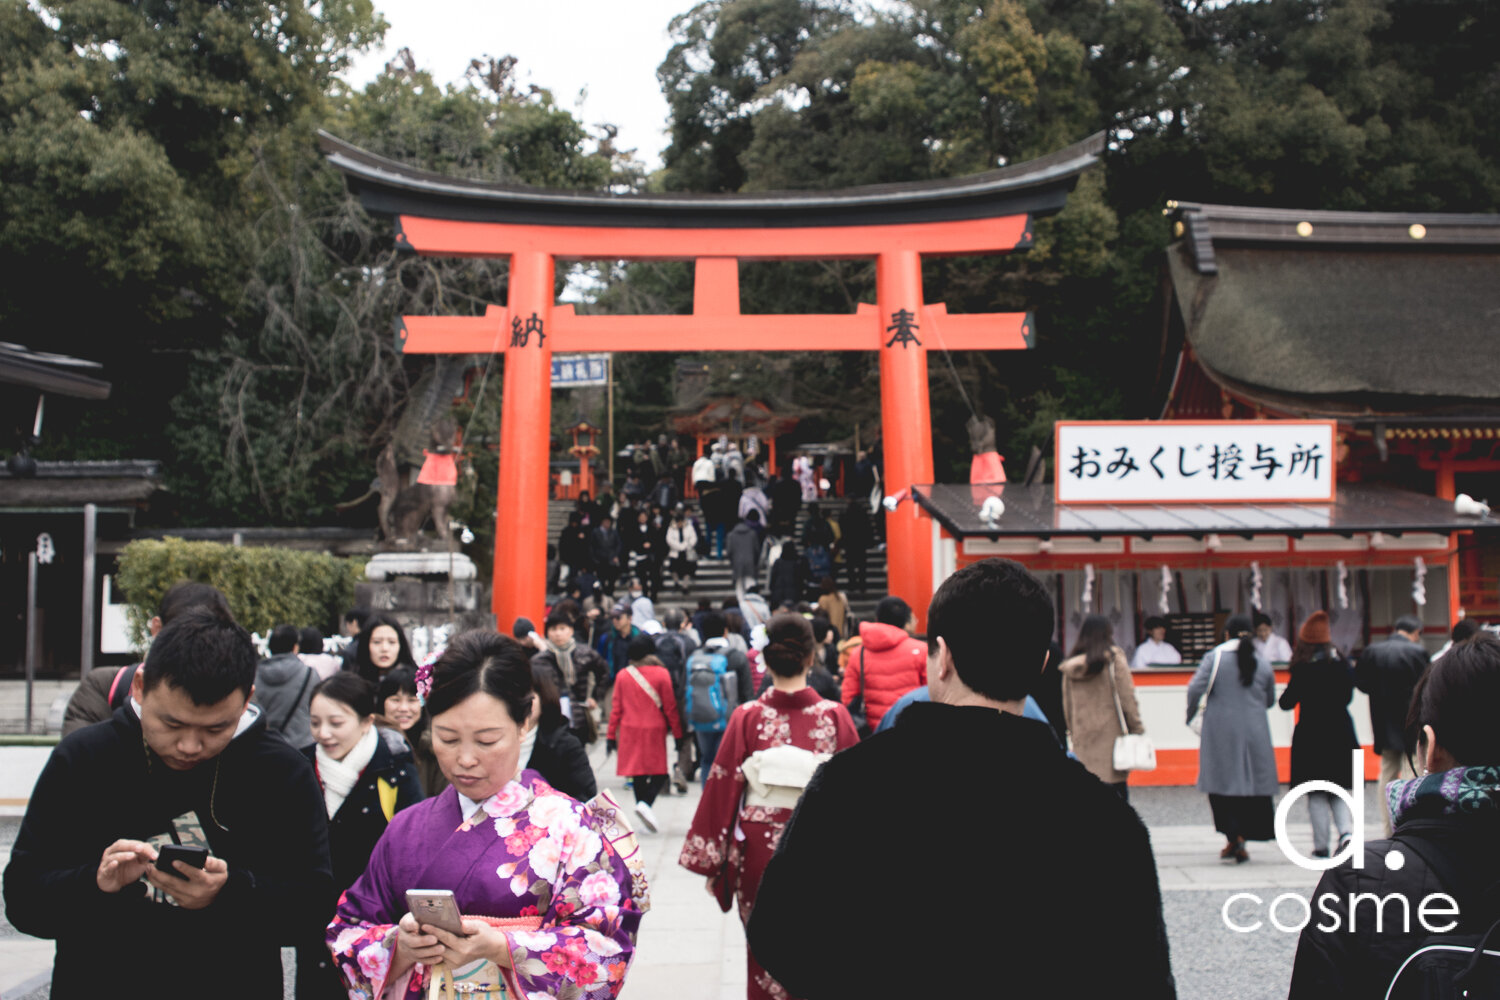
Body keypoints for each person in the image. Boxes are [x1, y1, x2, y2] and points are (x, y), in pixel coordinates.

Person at [746, 559, 1176, 998]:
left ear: (943, 656)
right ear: (1042, 663)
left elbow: (777, 930)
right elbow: (1144, 981)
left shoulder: (848, 785)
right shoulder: (1104, 817)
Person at [3, 605, 332, 1000]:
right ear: (140, 686)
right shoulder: (84, 758)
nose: (190, 746)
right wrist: (97, 882)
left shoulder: (281, 772)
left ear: (247, 700)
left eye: (216, 728)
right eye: (172, 724)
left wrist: (229, 893)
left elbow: (314, 909)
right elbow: (23, 900)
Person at [324, 631, 644, 999]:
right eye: (447, 738)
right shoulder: (406, 828)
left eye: (487, 740)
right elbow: (346, 932)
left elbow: (606, 950)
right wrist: (398, 946)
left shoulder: (572, 827)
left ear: (524, 722)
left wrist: (502, 947)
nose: (465, 759)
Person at [1288, 633, 1500, 998]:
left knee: (1321, 796)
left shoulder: (1358, 881)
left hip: (1315, 739)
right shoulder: (1341, 666)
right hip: (1339, 736)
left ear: (1429, 748)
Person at [680, 613, 859, 999]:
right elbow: (858, 795)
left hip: (760, 853)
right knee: (821, 951)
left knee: (764, 955)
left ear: (765, 659)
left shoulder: (748, 717)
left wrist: (715, 863)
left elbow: (723, 783)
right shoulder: (834, 716)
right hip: (821, 849)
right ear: (811, 658)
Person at [301, 673, 424, 997]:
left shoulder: (395, 767)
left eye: (335, 723)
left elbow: (415, 843)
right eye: (315, 723)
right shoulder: (300, 765)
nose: (323, 733)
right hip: (316, 915)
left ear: (366, 721)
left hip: (377, 916)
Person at [61, 580, 233, 735]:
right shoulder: (105, 687)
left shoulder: (236, 694)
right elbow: (78, 763)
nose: (189, 747)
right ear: (157, 628)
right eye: (183, 636)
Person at [1187, 613, 1278, 863]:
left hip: (1220, 731)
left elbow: (1195, 688)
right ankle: (1244, 837)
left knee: (1222, 784)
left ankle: (1232, 836)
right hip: (1255, 731)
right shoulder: (1262, 661)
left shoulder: (1214, 657)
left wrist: (1190, 714)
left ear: (1226, 634)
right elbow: (1270, 698)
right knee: (1250, 784)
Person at [1278, 611, 1358, 858]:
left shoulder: (1303, 669)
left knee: (1316, 791)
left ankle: (1321, 845)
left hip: (1311, 736)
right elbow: (1348, 697)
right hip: (1341, 733)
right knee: (1340, 788)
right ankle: (1346, 833)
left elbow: (1286, 703)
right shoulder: (1342, 665)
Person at [1355, 614, 1430, 836]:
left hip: (1383, 718)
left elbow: (1361, 683)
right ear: (1415, 632)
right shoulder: (1417, 653)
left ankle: (1388, 828)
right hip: (1411, 719)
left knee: (1386, 772)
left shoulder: (1372, 651)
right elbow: (1427, 686)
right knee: (1411, 770)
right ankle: (1407, 826)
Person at [1061, 614, 1146, 800]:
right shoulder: (1114, 660)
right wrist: (1136, 729)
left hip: (1083, 739)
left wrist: (1073, 733)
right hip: (1111, 740)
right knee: (1117, 801)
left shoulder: (1070, 667)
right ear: (1108, 633)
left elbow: (1067, 707)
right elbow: (1127, 698)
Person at [607, 638, 684, 833]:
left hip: (629, 728)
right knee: (659, 772)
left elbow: (616, 709)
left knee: (637, 773)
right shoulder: (662, 673)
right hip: (654, 727)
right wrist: (677, 734)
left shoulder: (623, 675)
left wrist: (610, 735)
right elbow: (670, 707)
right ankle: (646, 805)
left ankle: (643, 808)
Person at [840, 595, 927, 732]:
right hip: (912, 728)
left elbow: (848, 698)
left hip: (872, 732)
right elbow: (930, 693)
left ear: (877, 619)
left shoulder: (858, 653)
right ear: (906, 623)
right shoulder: (921, 650)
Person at [684, 611, 754, 782]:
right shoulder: (736, 656)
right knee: (728, 763)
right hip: (730, 721)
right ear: (725, 631)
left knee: (707, 760)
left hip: (701, 718)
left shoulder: (695, 657)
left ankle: (707, 800)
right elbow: (747, 693)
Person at [531, 609, 609, 742]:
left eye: (562, 628)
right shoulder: (540, 660)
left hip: (579, 716)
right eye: (553, 629)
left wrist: (595, 696)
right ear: (547, 632)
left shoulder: (585, 653)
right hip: (550, 719)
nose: (558, 633)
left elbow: (604, 672)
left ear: (571, 631)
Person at [525, 662, 597, 802]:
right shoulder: (492, 742)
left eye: (528, 696)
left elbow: (585, 797)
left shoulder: (565, 746)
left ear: (543, 697)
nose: (519, 702)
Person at [380, 666, 448, 795]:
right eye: (395, 700)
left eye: (412, 700)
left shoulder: (434, 748)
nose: (404, 708)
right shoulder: (371, 744)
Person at [253, 622, 319, 747]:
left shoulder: (254, 675)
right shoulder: (310, 674)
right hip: (302, 747)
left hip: (265, 747)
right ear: (295, 647)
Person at [354, 613, 417, 684]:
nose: (384, 648)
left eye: (392, 642)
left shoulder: (416, 683)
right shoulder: (353, 685)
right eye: (377, 642)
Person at [837, 499, 873, 595]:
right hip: (860, 542)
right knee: (861, 566)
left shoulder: (845, 513)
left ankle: (852, 584)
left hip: (849, 542)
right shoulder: (862, 513)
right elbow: (867, 527)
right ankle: (862, 585)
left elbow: (841, 527)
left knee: (850, 565)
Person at [726, 510, 761, 597]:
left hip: (737, 563)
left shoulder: (731, 535)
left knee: (739, 587)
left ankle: (742, 605)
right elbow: (757, 550)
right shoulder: (752, 534)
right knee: (751, 586)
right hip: (750, 562)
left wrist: (732, 561)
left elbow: (729, 551)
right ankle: (751, 605)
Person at [767, 538, 807, 610]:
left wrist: (771, 589)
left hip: (778, 595)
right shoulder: (797, 563)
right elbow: (800, 579)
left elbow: (773, 577)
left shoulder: (778, 563)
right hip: (793, 596)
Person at [665, 506, 698, 594]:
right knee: (673, 569)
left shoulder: (689, 527)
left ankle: (685, 586)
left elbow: (693, 538)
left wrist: (686, 545)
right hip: (675, 552)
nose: (680, 523)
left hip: (686, 552)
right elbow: (669, 539)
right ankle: (676, 583)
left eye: (681, 522)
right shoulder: (671, 528)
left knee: (687, 570)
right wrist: (678, 546)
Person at [589, 513, 624, 595]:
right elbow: (592, 546)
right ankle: (603, 593)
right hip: (600, 559)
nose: (607, 524)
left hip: (611, 559)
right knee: (602, 578)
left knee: (612, 578)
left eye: (609, 522)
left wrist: (616, 555)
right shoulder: (595, 532)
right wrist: (594, 558)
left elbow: (618, 544)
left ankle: (610, 592)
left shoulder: (614, 532)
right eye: (606, 522)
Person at [558, 510, 592, 589]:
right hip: (569, 557)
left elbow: (586, 546)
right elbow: (562, 546)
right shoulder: (566, 531)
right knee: (571, 575)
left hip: (579, 558)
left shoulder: (582, 531)